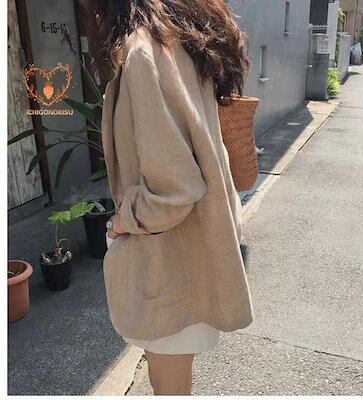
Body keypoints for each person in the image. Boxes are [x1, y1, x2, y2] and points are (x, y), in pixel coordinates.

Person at [93, 0, 254, 395]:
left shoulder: (145, 52)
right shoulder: (177, 41)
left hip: (170, 264)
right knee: (173, 381)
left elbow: (175, 190)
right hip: (192, 253)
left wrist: (120, 222)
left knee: (168, 386)